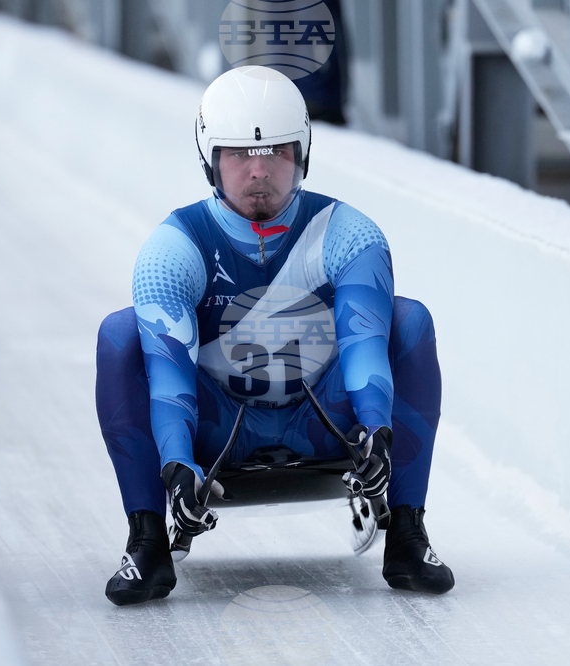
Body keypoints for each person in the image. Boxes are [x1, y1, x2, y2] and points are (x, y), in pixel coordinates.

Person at [96, 66, 454, 606]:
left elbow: (366, 343)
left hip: (326, 420)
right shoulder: (173, 249)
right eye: (240, 155)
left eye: (276, 154)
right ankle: (146, 541)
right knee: (121, 334)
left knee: (411, 321)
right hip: (219, 427)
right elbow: (168, 372)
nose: (259, 172)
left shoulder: (349, 233)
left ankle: (407, 533)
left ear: (301, 155)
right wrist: (176, 459)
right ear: (211, 160)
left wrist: (377, 428)